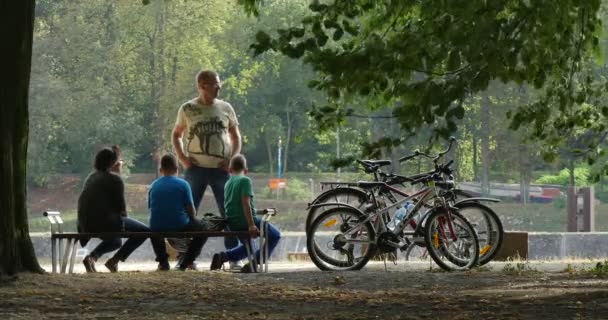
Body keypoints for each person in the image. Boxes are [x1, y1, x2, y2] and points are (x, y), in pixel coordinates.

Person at [172, 70, 242, 269]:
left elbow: (236, 136)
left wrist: (232, 158)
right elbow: (176, 134)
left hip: (221, 169)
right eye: (215, 84)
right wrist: (183, 158)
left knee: (229, 212)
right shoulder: (187, 108)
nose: (219, 88)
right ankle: (185, 258)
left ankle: (233, 257)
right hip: (195, 169)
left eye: (219, 84)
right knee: (187, 214)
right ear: (203, 85)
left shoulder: (226, 108)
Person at [78, 146, 165, 273]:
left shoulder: (91, 177)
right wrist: (122, 219)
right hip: (105, 223)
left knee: (116, 241)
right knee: (145, 231)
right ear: (113, 163)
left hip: (86, 224)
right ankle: (114, 261)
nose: (121, 163)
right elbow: (121, 210)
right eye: (119, 161)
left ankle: (92, 257)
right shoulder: (115, 180)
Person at [210, 154, 281, 272]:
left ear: (230, 169)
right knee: (275, 235)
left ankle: (224, 256)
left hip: (232, 222)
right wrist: (251, 225)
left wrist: (258, 212)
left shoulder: (228, 183)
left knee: (250, 247)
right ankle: (255, 263)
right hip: (245, 221)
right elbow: (245, 204)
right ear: (246, 170)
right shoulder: (245, 180)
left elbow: (234, 205)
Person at [148, 153, 211, 271]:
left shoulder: (154, 185)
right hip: (179, 225)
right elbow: (191, 211)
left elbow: (152, 208)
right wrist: (193, 219)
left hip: (157, 226)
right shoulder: (183, 184)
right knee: (204, 227)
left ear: (161, 170)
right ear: (177, 169)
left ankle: (163, 263)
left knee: (154, 226)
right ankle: (187, 262)